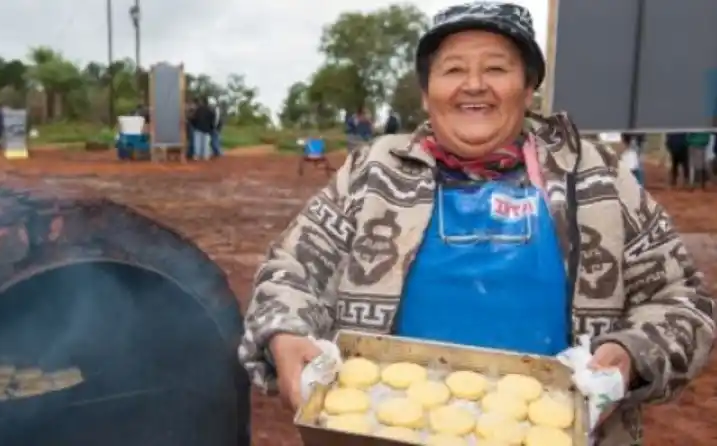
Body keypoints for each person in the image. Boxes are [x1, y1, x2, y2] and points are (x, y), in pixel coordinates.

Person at [237, 3, 715, 446]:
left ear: (528, 89)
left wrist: (630, 353)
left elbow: (683, 302)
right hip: (384, 427)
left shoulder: (596, 179)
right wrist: (286, 330)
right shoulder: (373, 174)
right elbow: (291, 272)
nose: (474, 85)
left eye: (496, 68)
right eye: (453, 70)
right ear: (427, 94)